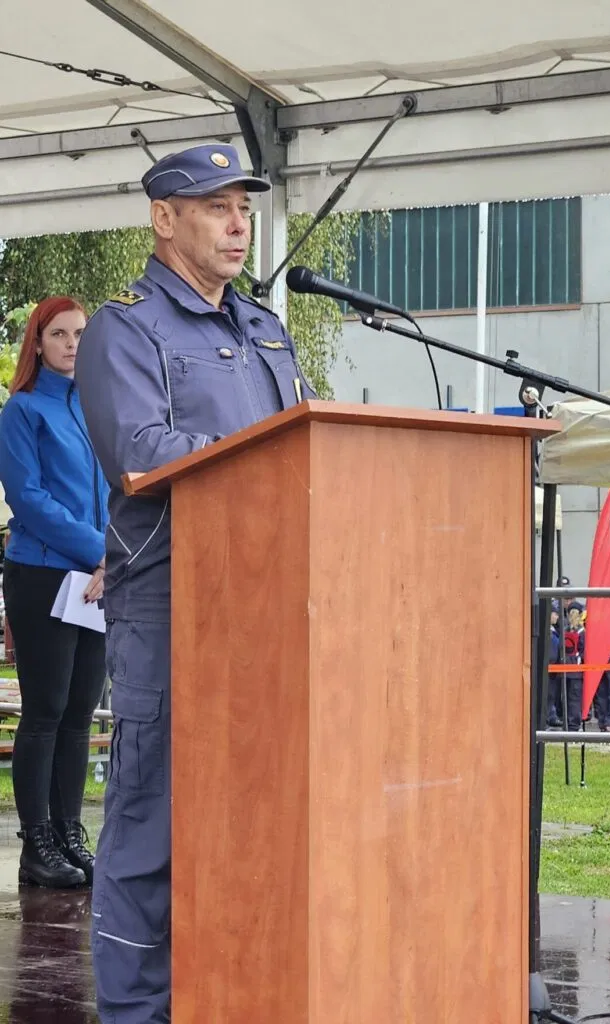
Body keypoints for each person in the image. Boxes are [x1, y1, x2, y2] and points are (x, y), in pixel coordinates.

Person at [75, 143, 316, 1024]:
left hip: (272, 599)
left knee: (258, 808)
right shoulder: (125, 328)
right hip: (172, 601)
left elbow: (312, 443)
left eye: (243, 209)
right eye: (216, 207)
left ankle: (234, 993)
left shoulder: (263, 327)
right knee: (152, 817)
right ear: (163, 219)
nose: (237, 224)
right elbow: (140, 455)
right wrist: (269, 461)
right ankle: (136, 1010)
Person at [0, 297, 109, 889]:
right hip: (43, 576)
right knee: (45, 711)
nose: (72, 345)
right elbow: (29, 500)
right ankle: (36, 844)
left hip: (97, 578)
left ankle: (69, 834)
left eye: (81, 334)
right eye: (60, 334)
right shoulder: (21, 410)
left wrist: (114, 555)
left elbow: (120, 487)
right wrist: (100, 550)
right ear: (38, 343)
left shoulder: (97, 408)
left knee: (79, 711)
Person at [564, 602, 585, 731]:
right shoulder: (581, 632)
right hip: (575, 670)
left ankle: (569, 723)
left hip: (566, 669)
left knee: (567, 698)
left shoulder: (565, 630)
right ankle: (573, 724)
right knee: (574, 699)